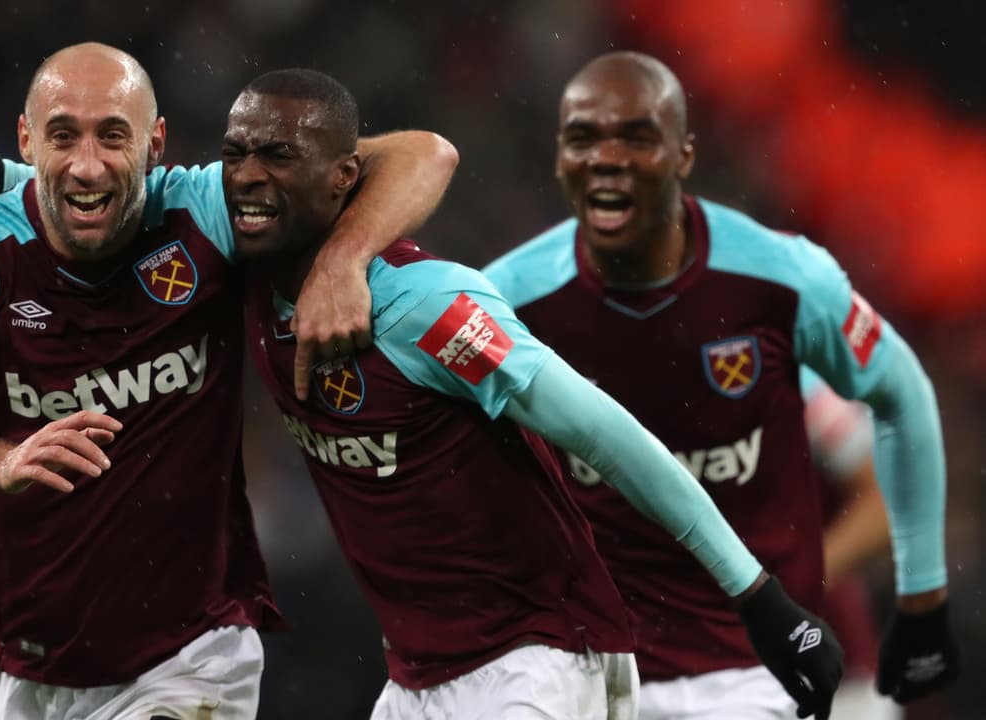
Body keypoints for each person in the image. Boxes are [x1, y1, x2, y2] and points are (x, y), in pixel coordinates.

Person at [221, 68, 842, 720]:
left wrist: (756, 597)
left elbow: (608, 437)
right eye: (234, 154)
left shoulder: (424, 304)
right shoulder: (248, 267)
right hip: (415, 677)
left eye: (278, 155)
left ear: (344, 175)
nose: (247, 175)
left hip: (540, 657)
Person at [0, 42, 458, 720]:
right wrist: (0, 460)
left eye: (112, 136)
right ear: (27, 140)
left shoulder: (203, 211)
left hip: (192, 656)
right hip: (32, 673)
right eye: (63, 135)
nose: (87, 164)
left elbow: (423, 154)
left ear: (155, 145)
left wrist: (342, 262)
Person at [482, 51, 959, 719]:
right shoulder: (504, 302)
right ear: (558, 155)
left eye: (637, 137)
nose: (606, 158)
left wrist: (913, 593)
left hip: (767, 669)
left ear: (684, 155)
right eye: (582, 138)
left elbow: (900, 400)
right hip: (604, 674)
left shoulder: (782, 283)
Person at [802, 368, 901, 720]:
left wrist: (788, 586)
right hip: (682, 667)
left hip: (834, 682)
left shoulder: (798, 383)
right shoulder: (636, 379)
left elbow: (885, 502)